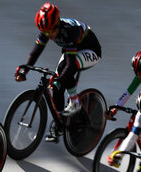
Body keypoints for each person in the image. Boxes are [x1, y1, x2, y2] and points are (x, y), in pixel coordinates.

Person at [15, 2, 102, 138]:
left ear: (57, 24)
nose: (48, 35)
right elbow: (35, 52)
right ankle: (60, 122)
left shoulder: (69, 32)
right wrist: (24, 70)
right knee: (56, 86)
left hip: (91, 50)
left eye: (51, 31)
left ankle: (75, 102)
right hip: (72, 51)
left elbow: (70, 65)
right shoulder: (47, 29)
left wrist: (59, 78)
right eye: (45, 32)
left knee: (63, 73)